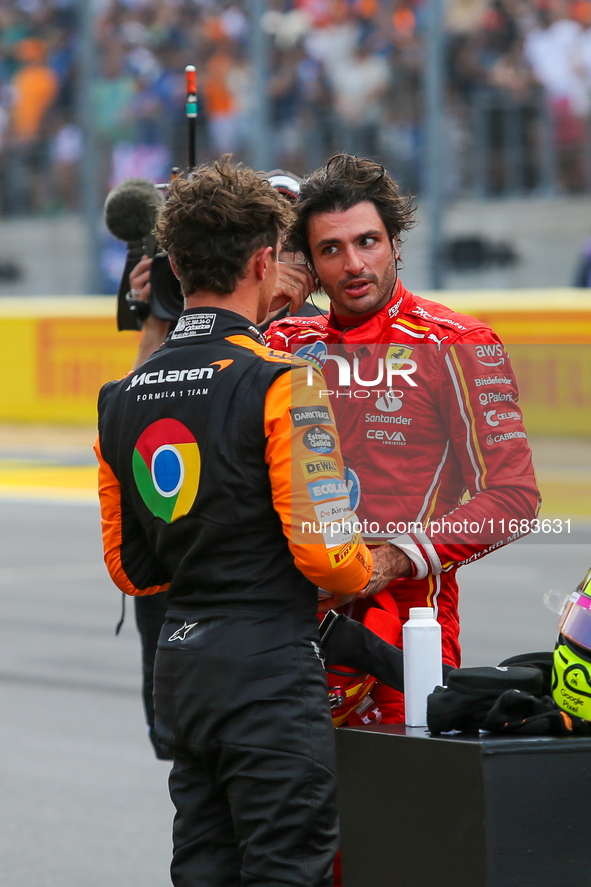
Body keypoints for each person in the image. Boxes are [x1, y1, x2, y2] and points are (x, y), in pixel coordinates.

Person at [94, 157, 391, 886]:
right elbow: (329, 561)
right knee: (287, 869)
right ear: (264, 260)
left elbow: (130, 569)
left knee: (202, 869)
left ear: (174, 264)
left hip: (182, 675)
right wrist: (379, 562)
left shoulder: (119, 396)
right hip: (266, 670)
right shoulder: (282, 382)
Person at [266, 152, 542, 724]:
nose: (354, 264)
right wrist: (266, 307)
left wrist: (393, 559)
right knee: (286, 813)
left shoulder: (456, 343)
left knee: (403, 810)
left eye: (367, 241)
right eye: (331, 249)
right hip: (290, 631)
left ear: (395, 241)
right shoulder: (282, 341)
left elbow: (515, 499)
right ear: (312, 265)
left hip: (406, 636)